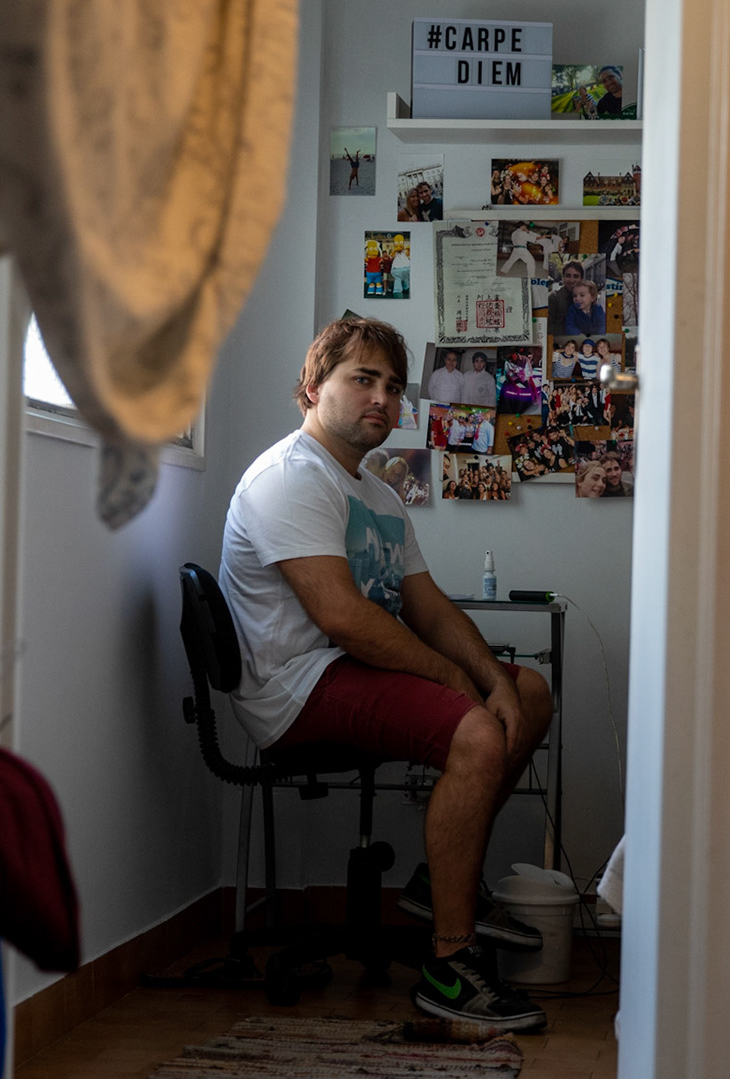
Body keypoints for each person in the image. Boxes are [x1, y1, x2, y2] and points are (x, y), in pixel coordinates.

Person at [221, 317, 553, 1029]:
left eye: (393, 387)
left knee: (529, 694)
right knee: (475, 732)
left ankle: (439, 886)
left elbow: (429, 610)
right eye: (362, 379)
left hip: (347, 670)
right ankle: (450, 967)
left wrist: (492, 678)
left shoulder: (379, 495)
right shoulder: (290, 478)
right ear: (313, 388)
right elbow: (342, 616)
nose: (382, 398)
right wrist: (456, 687)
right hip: (296, 688)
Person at [547, 260, 589, 327]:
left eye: (576, 276)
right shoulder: (553, 298)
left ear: (581, 279)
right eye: (568, 276)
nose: (572, 280)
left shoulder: (587, 298)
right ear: (563, 277)